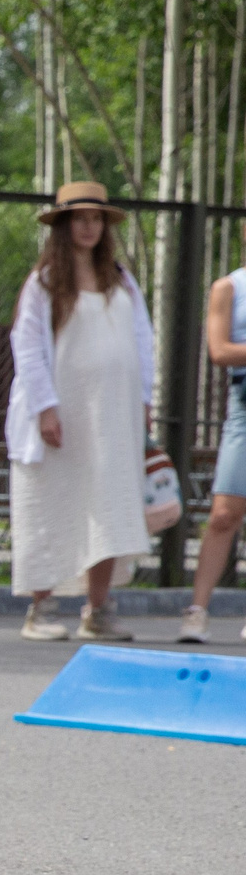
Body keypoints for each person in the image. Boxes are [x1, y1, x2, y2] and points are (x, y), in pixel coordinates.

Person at [7, 182, 153, 643]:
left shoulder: (121, 278)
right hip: (64, 413)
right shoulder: (45, 280)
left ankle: (98, 609)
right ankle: (41, 608)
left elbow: (143, 342)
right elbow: (27, 346)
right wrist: (45, 407)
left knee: (107, 501)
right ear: (65, 225)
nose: (88, 226)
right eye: (80, 218)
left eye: (96, 218)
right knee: (51, 500)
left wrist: (145, 400)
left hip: (114, 413)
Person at [182, 260, 246, 643]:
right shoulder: (228, 287)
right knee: (225, 511)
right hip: (243, 401)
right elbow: (219, 350)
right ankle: (197, 611)